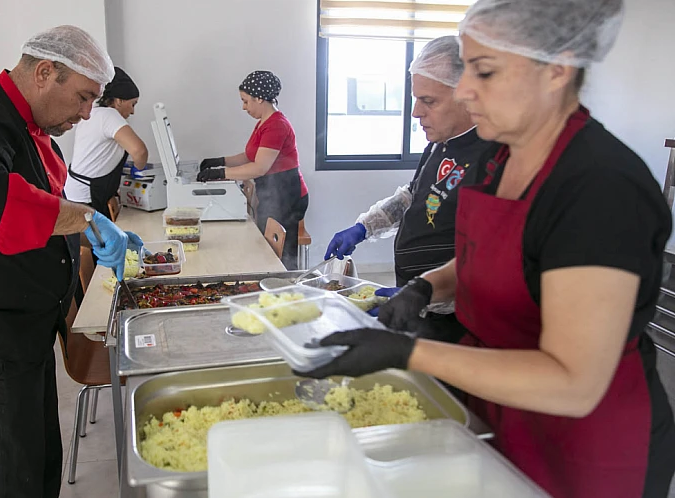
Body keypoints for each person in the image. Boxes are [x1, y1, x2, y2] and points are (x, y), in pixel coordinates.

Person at [296, 1, 675, 497]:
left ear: (556, 70)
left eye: (484, 71)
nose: (466, 90)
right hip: (501, 407)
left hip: (584, 445)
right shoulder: (499, 158)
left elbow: (574, 381)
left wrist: (411, 352)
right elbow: (490, 254)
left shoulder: (600, 187)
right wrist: (425, 286)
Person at [0, 26, 142, 498]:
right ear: (46, 72)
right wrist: (87, 220)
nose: (87, 115)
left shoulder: (29, 129)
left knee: (39, 463)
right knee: (10, 476)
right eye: (84, 98)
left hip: (24, 328)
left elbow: (41, 218)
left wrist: (87, 240)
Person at [325, 36, 498, 342]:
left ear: (468, 95)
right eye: (416, 99)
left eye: (428, 101)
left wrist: (426, 295)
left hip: (454, 320)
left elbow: (492, 265)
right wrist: (363, 228)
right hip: (417, 300)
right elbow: (412, 195)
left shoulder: (493, 157)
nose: (416, 113)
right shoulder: (439, 145)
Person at [196, 70, 308, 270]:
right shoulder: (263, 124)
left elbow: (259, 167)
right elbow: (250, 156)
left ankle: (285, 286)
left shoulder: (277, 126)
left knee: (280, 256)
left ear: (259, 98)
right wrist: (219, 162)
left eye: (246, 101)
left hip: (286, 196)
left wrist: (220, 173)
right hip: (273, 193)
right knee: (264, 248)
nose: (243, 107)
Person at [64, 66, 148, 218]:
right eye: (133, 104)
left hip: (75, 195)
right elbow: (139, 151)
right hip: (86, 199)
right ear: (119, 100)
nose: (133, 111)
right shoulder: (109, 115)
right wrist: (139, 170)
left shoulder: (95, 113)